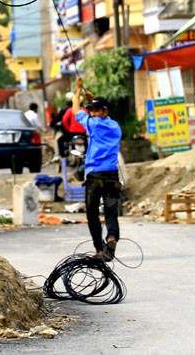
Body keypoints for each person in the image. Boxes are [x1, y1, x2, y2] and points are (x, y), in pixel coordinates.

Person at [71, 76, 122, 262]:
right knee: (110, 212)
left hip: (94, 174)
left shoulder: (92, 125)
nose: (92, 113)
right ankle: (112, 237)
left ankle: (100, 250)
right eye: (91, 110)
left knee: (92, 214)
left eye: (95, 110)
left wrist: (78, 90)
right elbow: (95, 113)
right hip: (112, 174)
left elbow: (75, 108)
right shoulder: (115, 127)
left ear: (103, 111)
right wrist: (91, 99)